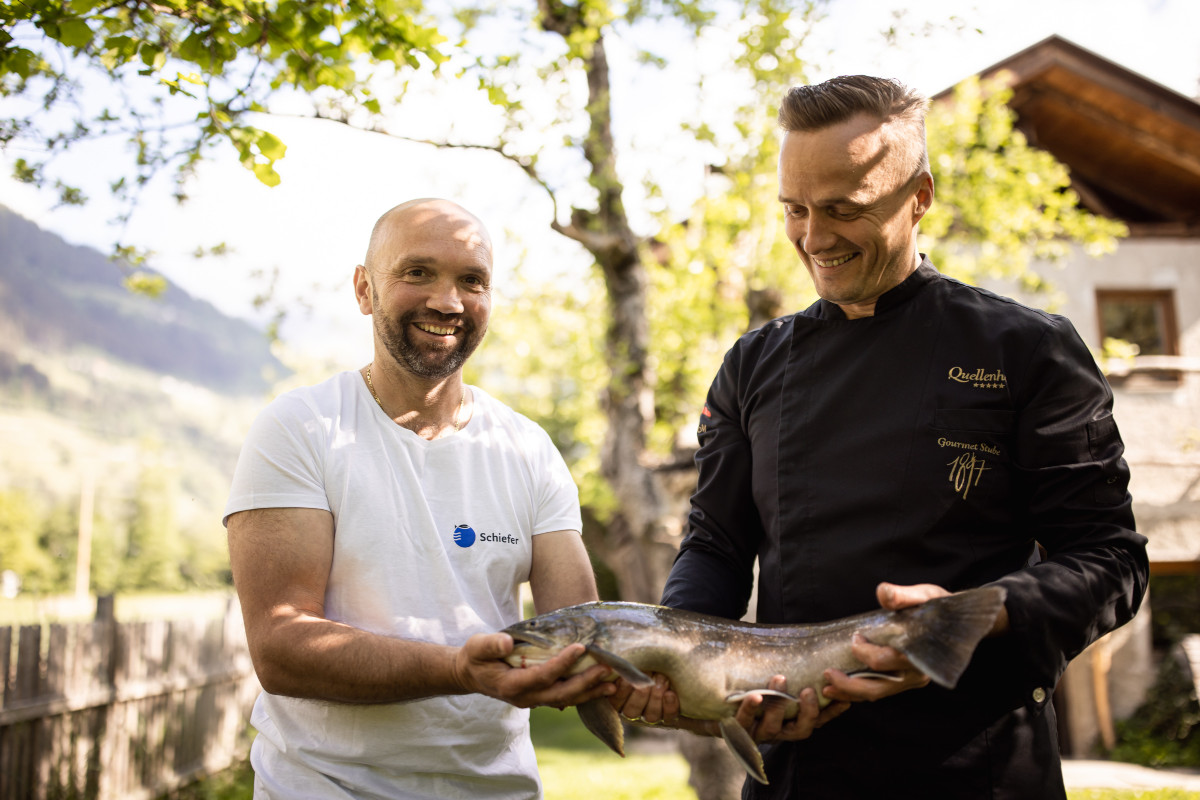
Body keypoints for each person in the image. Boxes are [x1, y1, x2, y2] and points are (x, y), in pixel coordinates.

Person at [627, 76, 1148, 798]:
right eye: (795, 209)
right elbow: (716, 544)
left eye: (843, 209)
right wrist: (678, 655)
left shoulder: (1028, 350)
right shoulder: (752, 365)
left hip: (977, 764)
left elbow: (1110, 560)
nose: (813, 238)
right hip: (796, 766)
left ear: (919, 197)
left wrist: (983, 616)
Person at [223, 198, 614, 799]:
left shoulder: (528, 450)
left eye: (472, 280)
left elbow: (589, 640)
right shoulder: (302, 428)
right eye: (418, 273)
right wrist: (459, 670)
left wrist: (725, 700)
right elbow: (281, 648)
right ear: (365, 289)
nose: (448, 301)